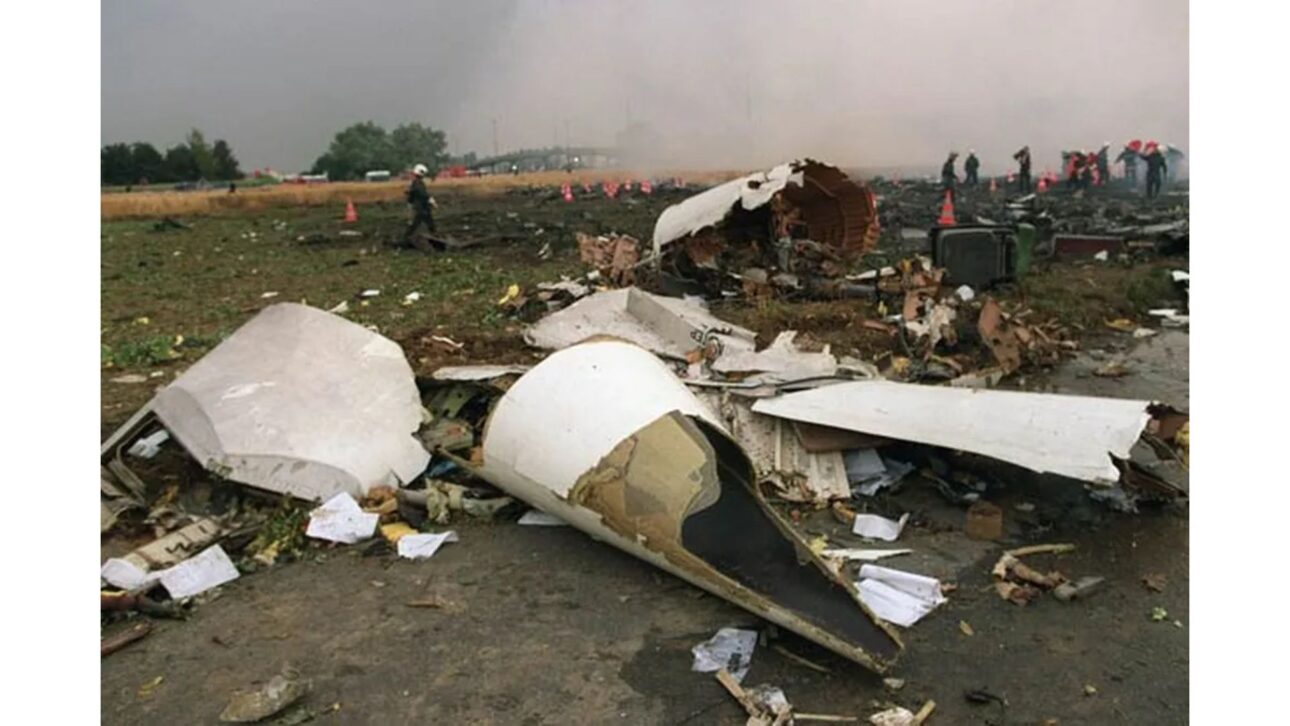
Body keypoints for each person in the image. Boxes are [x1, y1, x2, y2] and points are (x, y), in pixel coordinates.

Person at [403, 163, 445, 251]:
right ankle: (436, 238)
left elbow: (411, 196)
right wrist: (432, 201)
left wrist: (410, 200)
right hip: (422, 207)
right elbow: (423, 195)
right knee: (424, 222)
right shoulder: (419, 183)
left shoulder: (415, 183)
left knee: (419, 223)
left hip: (419, 207)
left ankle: (406, 237)